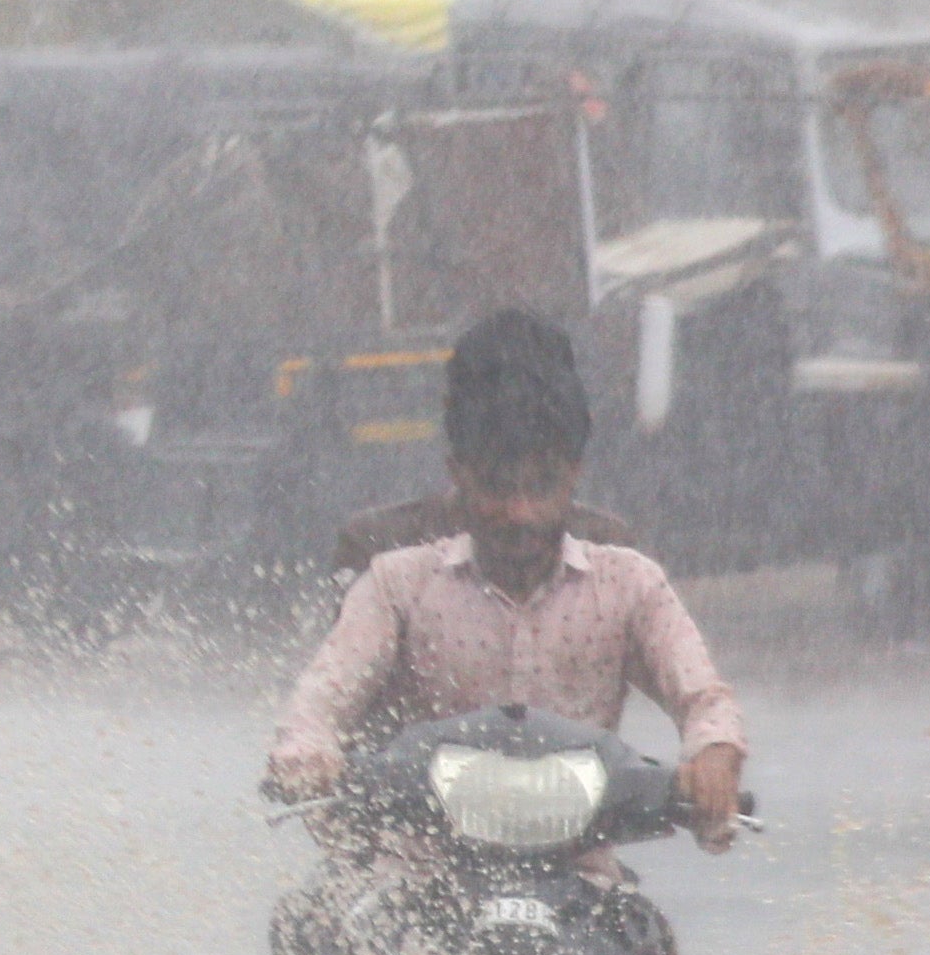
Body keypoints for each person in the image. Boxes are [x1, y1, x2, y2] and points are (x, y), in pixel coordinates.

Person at [269, 308, 747, 843]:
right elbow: (324, 700)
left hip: (579, 869)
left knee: (642, 928)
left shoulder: (625, 578)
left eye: (541, 485)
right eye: (498, 486)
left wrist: (713, 757)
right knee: (319, 921)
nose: (520, 512)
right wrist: (310, 759)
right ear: (460, 473)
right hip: (414, 861)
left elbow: (703, 696)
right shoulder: (395, 578)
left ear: (573, 474)